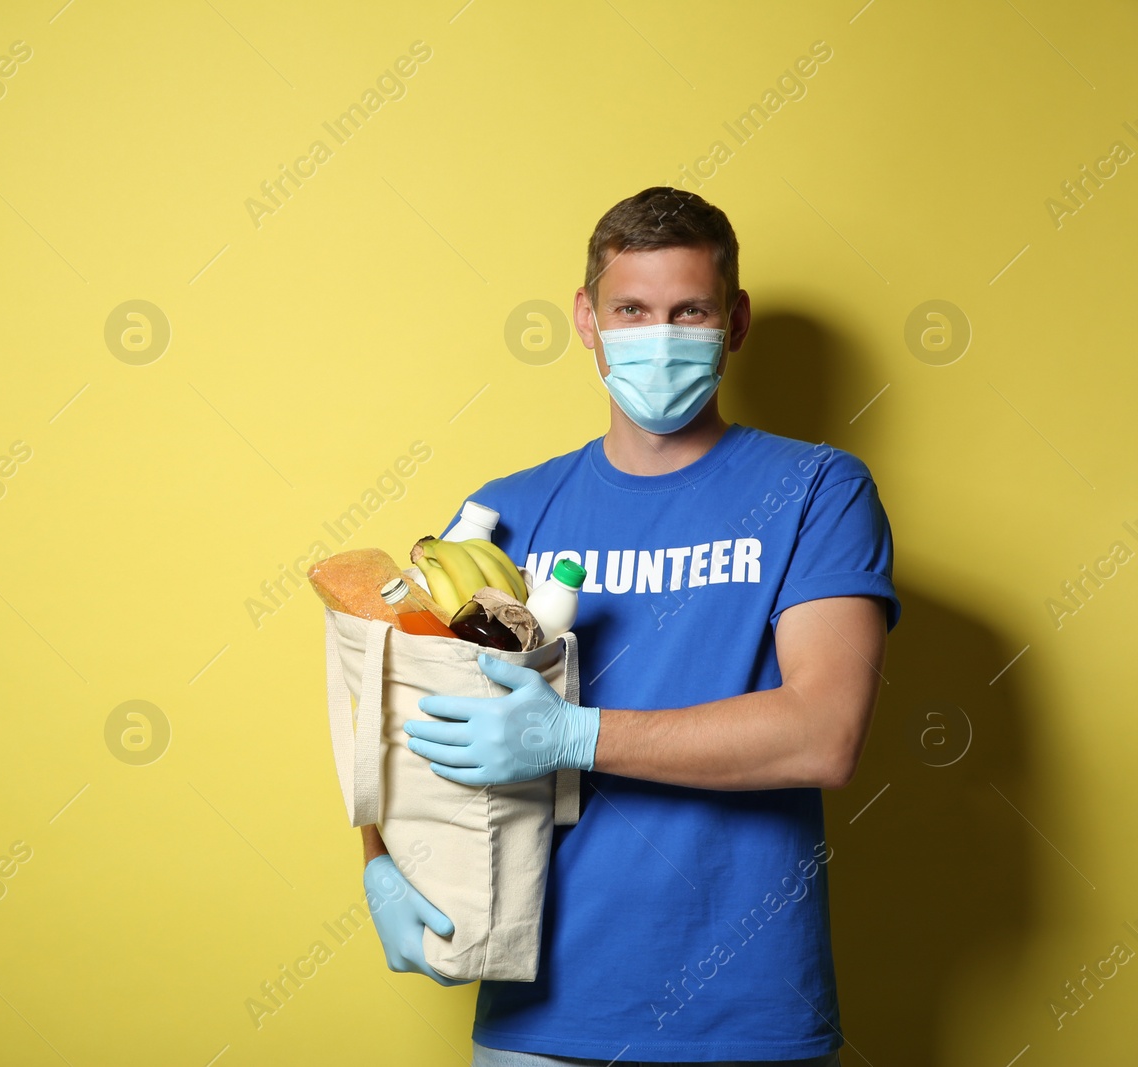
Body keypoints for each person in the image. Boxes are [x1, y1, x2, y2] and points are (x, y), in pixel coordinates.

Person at [358, 186, 899, 1066]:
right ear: (587, 319)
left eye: (689, 309)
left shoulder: (816, 492)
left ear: (736, 320)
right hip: (539, 1016)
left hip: (748, 1019)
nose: (658, 334)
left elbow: (823, 734)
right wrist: (378, 858)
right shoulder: (505, 516)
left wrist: (571, 734)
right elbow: (410, 711)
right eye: (632, 309)